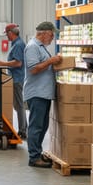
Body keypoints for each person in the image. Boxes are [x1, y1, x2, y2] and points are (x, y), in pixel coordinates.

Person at [23, 21, 63, 168]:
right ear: (44, 33)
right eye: (51, 35)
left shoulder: (41, 48)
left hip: (44, 93)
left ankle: (37, 153)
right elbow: (33, 69)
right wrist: (51, 61)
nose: (52, 38)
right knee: (36, 125)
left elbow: (43, 68)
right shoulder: (33, 47)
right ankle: (33, 157)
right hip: (37, 93)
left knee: (43, 125)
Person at [0, 23, 27, 139]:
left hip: (17, 78)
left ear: (11, 33)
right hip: (14, 78)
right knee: (18, 104)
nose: (6, 37)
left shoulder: (18, 45)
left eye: (7, 34)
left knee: (19, 105)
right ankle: (24, 127)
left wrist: (3, 64)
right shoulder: (15, 44)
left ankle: (22, 131)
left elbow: (18, 63)